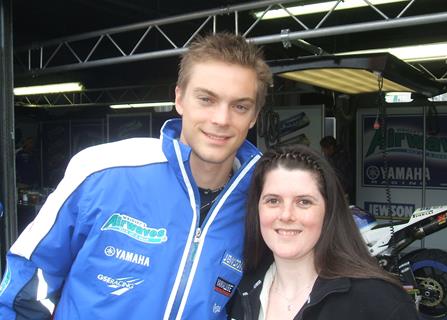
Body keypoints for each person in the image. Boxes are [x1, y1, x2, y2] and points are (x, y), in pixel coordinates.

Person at [0, 32, 272, 319]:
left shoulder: (263, 205)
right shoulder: (103, 170)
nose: (221, 119)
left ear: (254, 116)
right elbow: (26, 288)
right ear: (179, 99)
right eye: (206, 99)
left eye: (240, 106)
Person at [229, 145, 419, 320]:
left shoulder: (380, 302)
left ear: (328, 212)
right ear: (257, 209)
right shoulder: (238, 289)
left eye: (304, 202)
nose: (286, 215)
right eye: (273, 200)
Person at [319, 135, 353, 200]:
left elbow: (343, 178)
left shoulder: (342, 158)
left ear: (331, 147)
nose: (323, 151)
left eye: (324, 149)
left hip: (342, 192)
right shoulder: (330, 157)